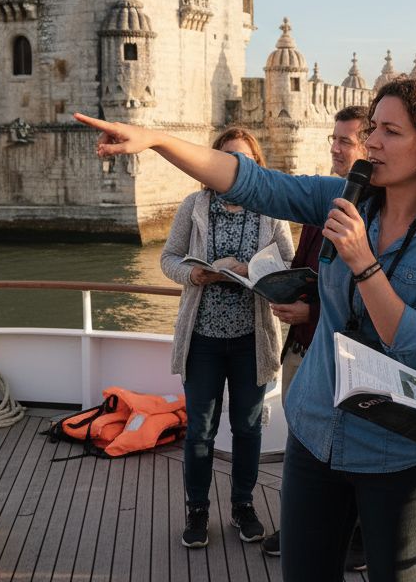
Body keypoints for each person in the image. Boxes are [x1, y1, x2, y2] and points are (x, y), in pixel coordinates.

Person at [75, 75, 416, 582]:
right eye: (373, 128)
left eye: (391, 132)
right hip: (316, 430)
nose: (372, 142)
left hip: (396, 450)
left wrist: (364, 263)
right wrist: (158, 139)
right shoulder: (346, 197)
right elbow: (254, 182)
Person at [158, 127, 294, 549]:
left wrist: (257, 270)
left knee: (248, 428)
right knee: (199, 429)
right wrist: (196, 273)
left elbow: (288, 263)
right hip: (202, 339)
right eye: (228, 159)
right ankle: (197, 511)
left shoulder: (270, 211)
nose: (237, 167)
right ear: (212, 164)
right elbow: (169, 259)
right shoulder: (194, 206)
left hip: (251, 340)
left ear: (256, 165)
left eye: (245, 161)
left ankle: (243, 506)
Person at [261, 104, 370, 563]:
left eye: (346, 140)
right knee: (302, 440)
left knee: (341, 450)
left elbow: (362, 299)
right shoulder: (325, 202)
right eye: (334, 138)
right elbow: (311, 267)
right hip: (300, 346)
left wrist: (310, 307)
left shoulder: (369, 216)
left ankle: (353, 539)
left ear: (370, 149)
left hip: (335, 354)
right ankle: (302, 527)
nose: (335, 147)